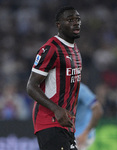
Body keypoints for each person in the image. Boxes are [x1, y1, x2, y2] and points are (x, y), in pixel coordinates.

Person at [26, 6, 82, 150]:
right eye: (70, 20)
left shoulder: (75, 49)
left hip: (66, 125)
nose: (76, 23)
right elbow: (31, 86)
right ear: (59, 25)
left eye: (77, 19)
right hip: (50, 123)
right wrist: (56, 109)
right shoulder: (51, 48)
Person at [75, 83, 103, 150]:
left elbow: (98, 109)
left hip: (81, 135)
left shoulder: (81, 89)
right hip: (70, 135)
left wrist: (85, 133)